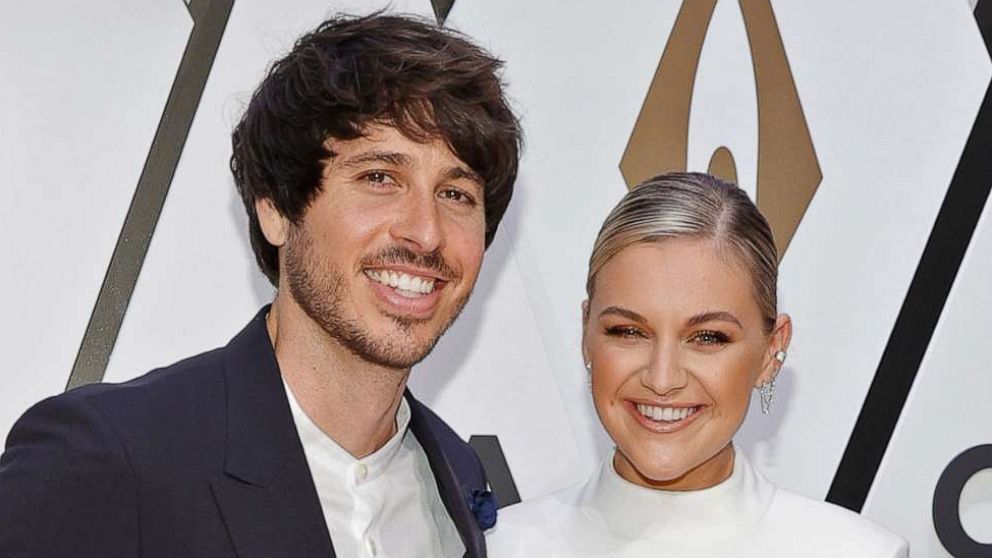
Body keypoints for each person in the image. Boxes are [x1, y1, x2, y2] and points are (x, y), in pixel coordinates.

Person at [0, 12, 520, 558]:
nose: (425, 231)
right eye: (379, 178)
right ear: (275, 208)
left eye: (456, 193)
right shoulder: (106, 458)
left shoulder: (457, 477)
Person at [488, 173, 907, 557]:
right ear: (586, 333)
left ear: (770, 351)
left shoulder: (858, 552)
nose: (662, 378)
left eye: (708, 338)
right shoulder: (498, 547)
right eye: (628, 331)